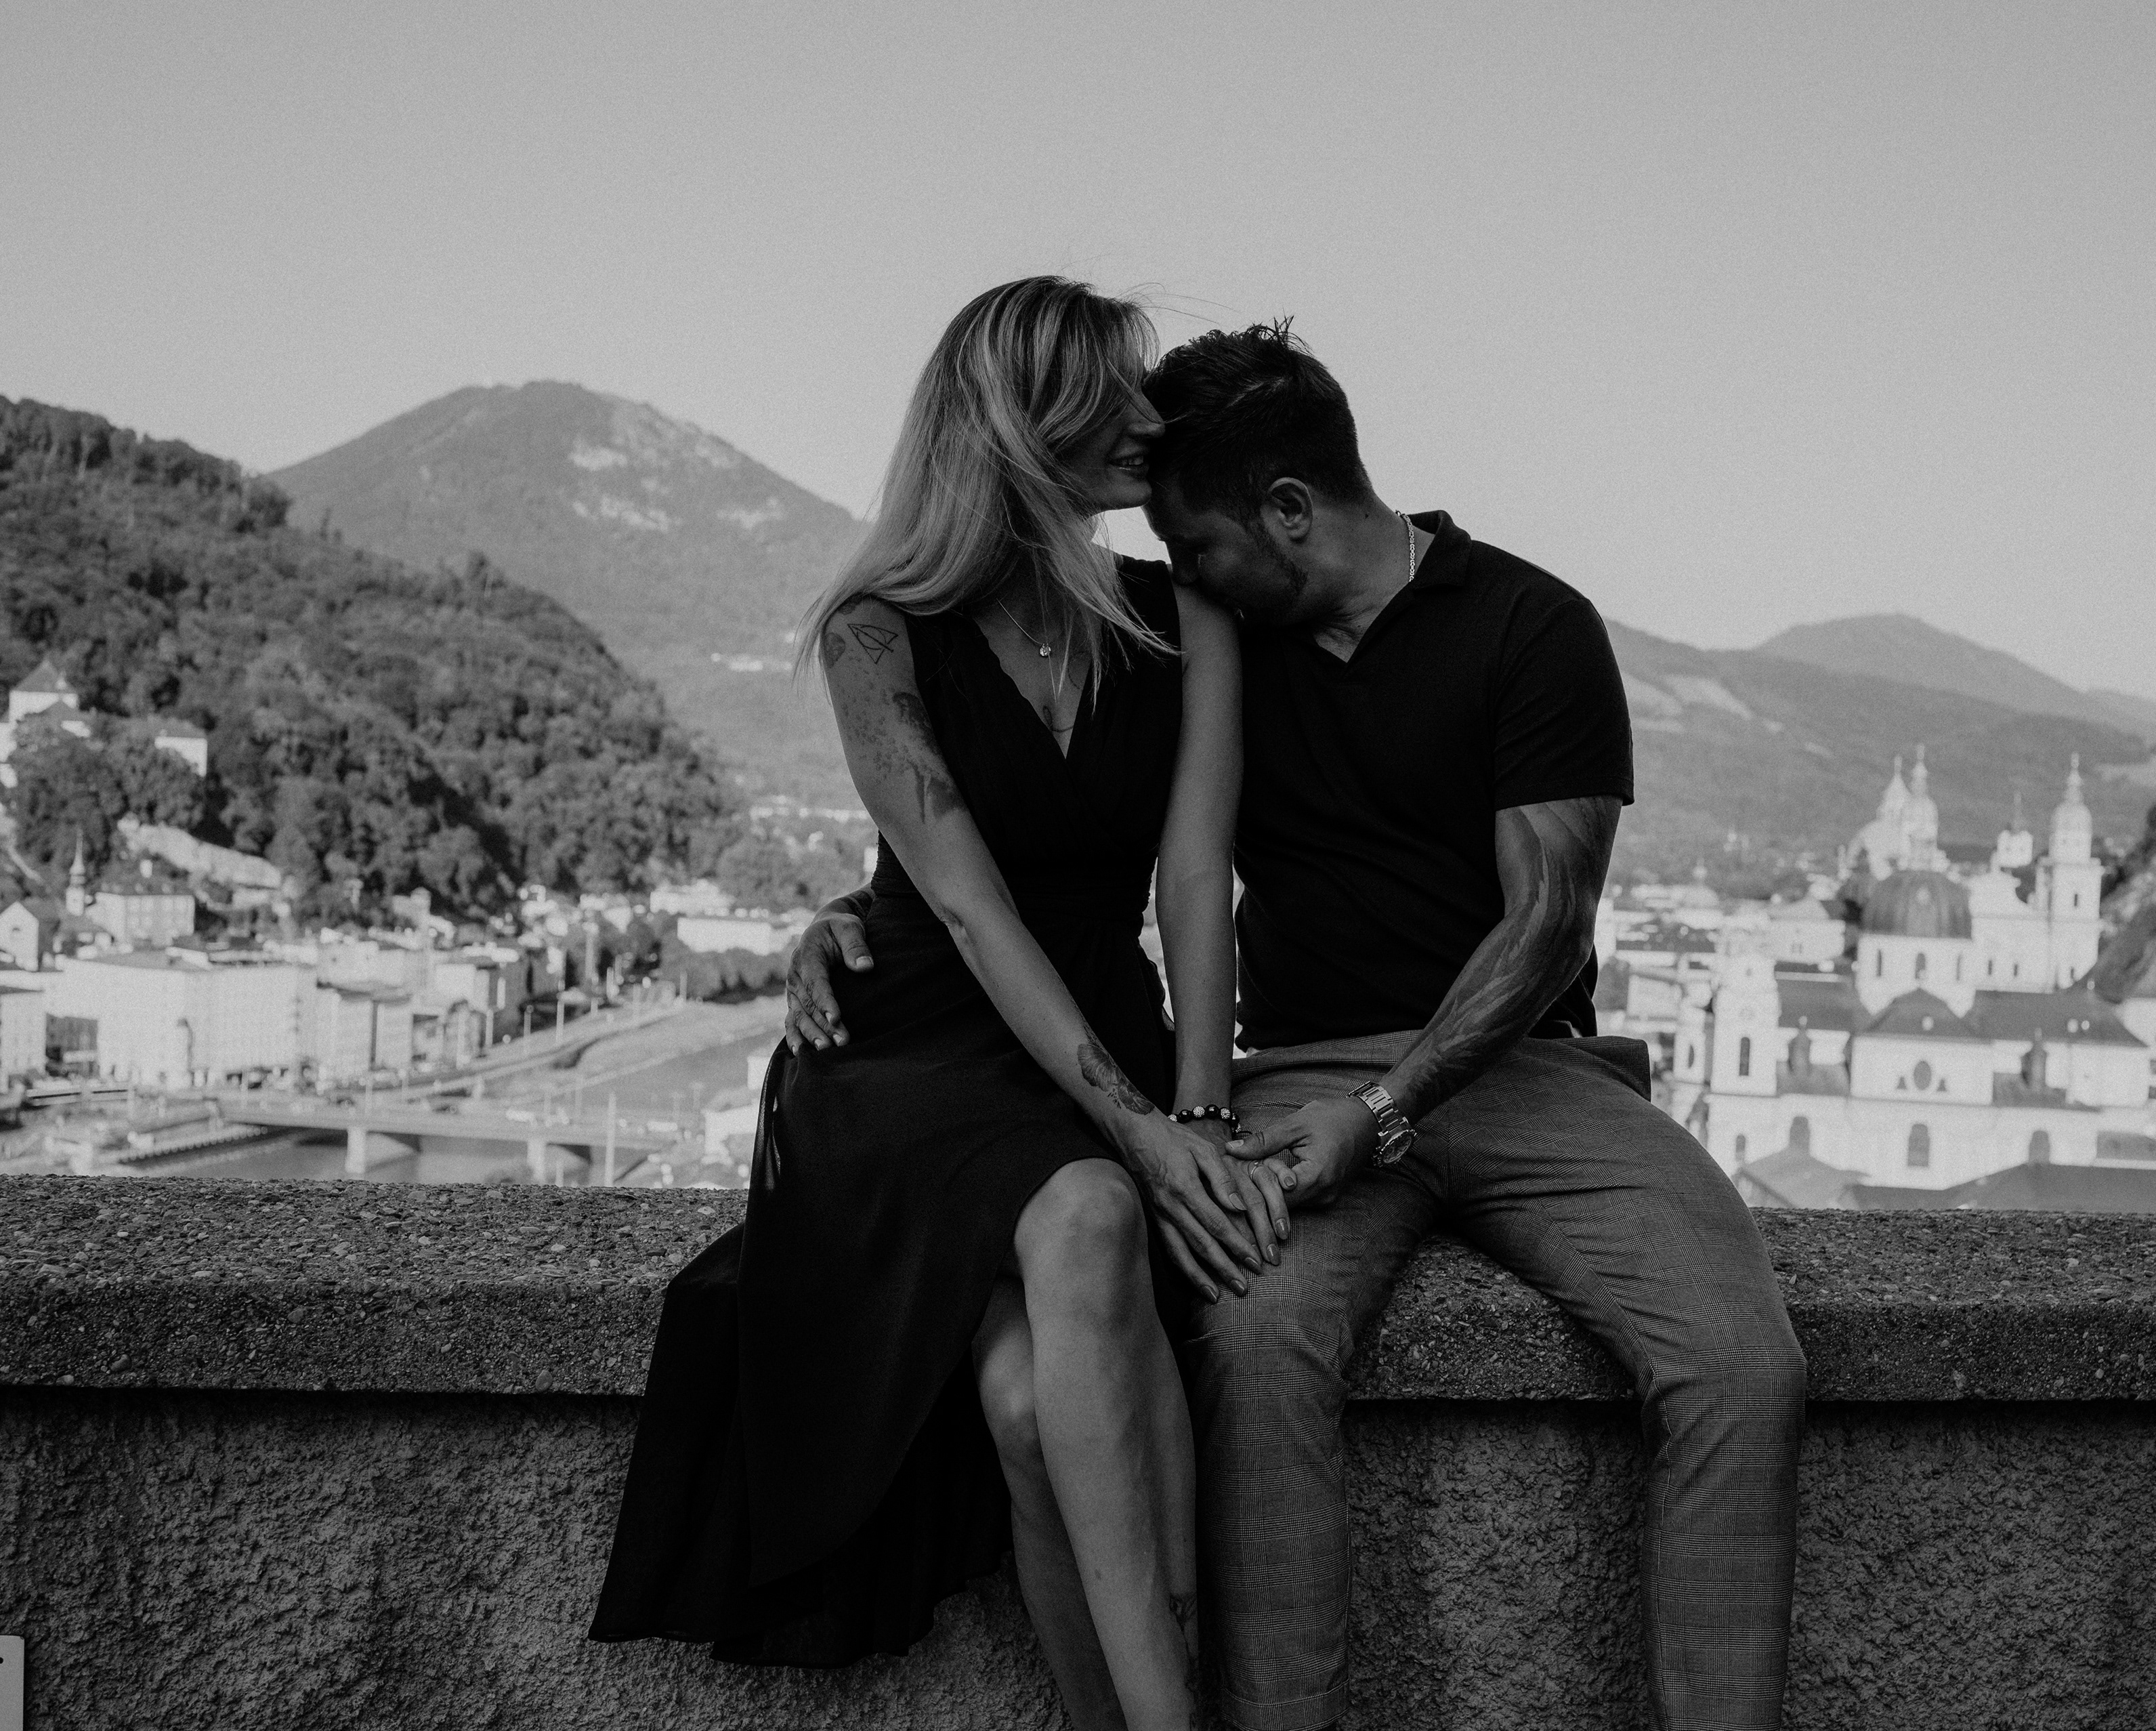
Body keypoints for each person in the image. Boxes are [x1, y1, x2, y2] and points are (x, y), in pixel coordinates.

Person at [784, 322, 1806, 1730]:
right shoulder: (1218, 633)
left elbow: (1548, 922)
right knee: (1254, 1350)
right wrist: (856, 906)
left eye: (1195, 544)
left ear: (1285, 512)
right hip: (1298, 1073)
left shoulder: (1531, 626)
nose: (1178, 570)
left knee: (1746, 1365)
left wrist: (1385, 1113)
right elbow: (1059, 817)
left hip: (1531, 1070)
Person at [592, 277, 1277, 1731]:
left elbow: (1194, 878)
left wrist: (1203, 1115)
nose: (1150, 418)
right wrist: (1141, 1137)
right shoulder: (876, 632)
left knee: (1031, 1412)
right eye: (1112, 392)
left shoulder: (1187, 616)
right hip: (912, 1047)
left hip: (1094, 1022)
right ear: (1025, 422)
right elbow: (966, 908)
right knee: (1087, 1211)